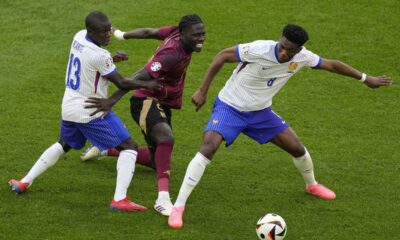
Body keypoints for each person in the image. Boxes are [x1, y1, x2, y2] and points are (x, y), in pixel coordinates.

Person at [168, 23, 392, 228]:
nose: (284, 53)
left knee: (297, 148)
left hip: (260, 112)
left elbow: (332, 65)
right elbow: (222, 56)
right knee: (208, 147)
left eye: (290, 50)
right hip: (230, 107)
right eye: (283, 47)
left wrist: (365, 78)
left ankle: (312, 185)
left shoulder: (303, 57)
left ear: (299, 49)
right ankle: (178, 207)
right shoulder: (259, 49)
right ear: (280, 39)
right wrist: (203, 90)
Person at [8, 11, 162, 211]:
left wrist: (113, 59)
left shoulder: (79, 36)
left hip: (69, 105)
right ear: (91, 30)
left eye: (109, 30)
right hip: (90, 109)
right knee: (129, 147)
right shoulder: (100, 55)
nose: (108, 34)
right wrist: (149, 83)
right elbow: (122, 82)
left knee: (64, 144)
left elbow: (89, 66)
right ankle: (119, 200)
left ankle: (24, 182)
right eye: (103, 32)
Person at [80, 14, 206, 216]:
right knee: (166, 138)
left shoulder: (176, 31)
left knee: (158, 161)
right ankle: (162, 199)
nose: (201, 39)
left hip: (162, 101)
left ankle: (109, 149)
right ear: (183, 35)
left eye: (202, 34)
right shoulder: (171, 55)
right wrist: (111, 101)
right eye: (196, 35)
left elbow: (150, 32)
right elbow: (139, 76)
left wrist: (122, 35)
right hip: (145, 100)